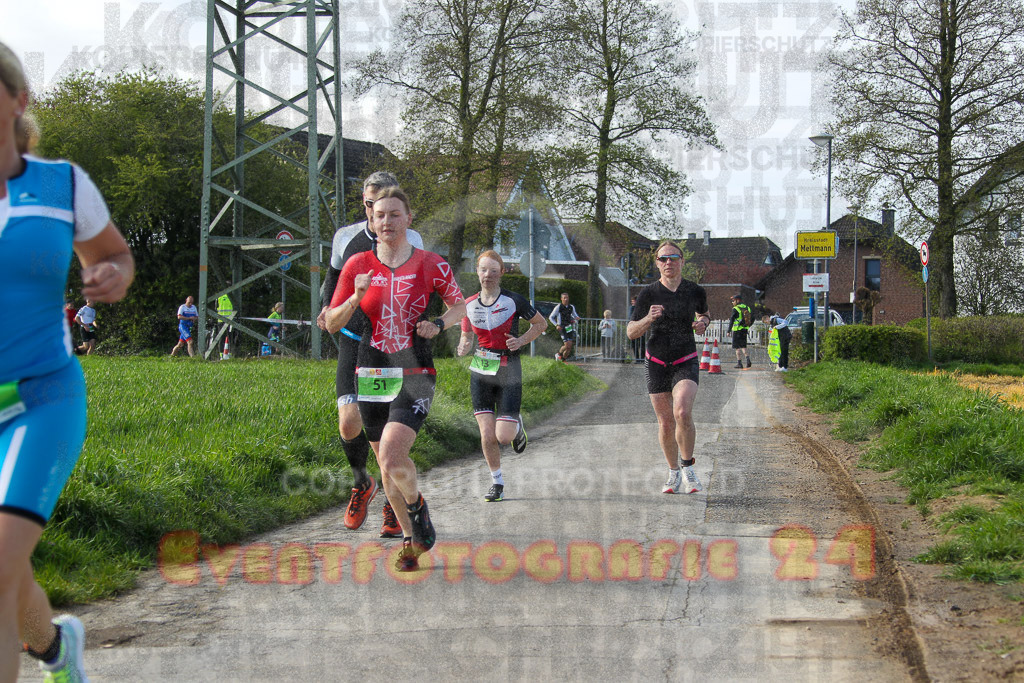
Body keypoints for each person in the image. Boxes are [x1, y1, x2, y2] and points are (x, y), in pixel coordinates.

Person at [0, 40, 135, 682]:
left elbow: (114, 255)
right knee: (8, 567)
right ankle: (56, 651)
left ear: (18, 100)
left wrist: (112, 274)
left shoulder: (61, 184)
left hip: (41, 400)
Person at [327, 186, 465, 571]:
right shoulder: (357, 264)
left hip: (415, 368)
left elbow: (459, 305)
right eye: (380, 215)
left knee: (391, 452)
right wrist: (354, 298)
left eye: (394, 214)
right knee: (386, 463)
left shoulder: (431, 263)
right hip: (372, 368)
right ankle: (411, 538)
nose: (386, 221)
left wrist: (439, 324)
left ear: (408, 219)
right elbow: (332, 322)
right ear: (371, 221)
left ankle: (417, 507)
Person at [316, 171, 425, 535]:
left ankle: (393, 506)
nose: (375, 214)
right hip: (353, 338)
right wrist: (327, 307)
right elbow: (333, 278)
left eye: (383, 206)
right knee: (349, 422)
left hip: (390, 347)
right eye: (368, 205)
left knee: (385, 436)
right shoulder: (346, 238)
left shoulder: (411, 239)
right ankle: (362, 483)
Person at [457, 251, 547, 502]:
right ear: (477, 271)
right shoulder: (468, 304)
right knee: (487, 434)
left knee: (503, 437)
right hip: (481, 368)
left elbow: (541, 324)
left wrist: (521, 340)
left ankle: (516, 427)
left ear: (502, 273)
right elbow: (466, 336)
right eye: (483, 270)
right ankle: (497, 483)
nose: (488, 275)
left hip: (509, 368)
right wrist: (464, 345)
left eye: (493, 271)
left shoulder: (514, 300)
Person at [626, 240, 710, 495]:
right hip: (657, 362)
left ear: (682, 261)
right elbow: (631, 332)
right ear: (657, 264)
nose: (668, 262)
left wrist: (703, 323)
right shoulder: (648, 294)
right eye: (663, 259)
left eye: (673, 257)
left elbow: (705, 314)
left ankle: (688, 467)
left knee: (682, 412)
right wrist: (648, 318)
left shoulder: (695, 290)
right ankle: (673, 472)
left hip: (685, 358)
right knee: (665, 422)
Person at [548, 292, 580, 361]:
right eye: (564, 298)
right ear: (561, 299)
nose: (566, 299)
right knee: (567, 344)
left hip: (569, 327)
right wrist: (556, 325)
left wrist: (576, 318)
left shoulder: (571, 307)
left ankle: (563, 360)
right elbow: (551, 317)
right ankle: (558, 354)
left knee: (569, 347)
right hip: (562, 327)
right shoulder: (558, 307)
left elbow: (575, 315)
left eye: (567, 298)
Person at [728, 293, 752, 369]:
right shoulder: (747, 308)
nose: (732, 302)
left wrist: (728, 331)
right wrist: (747, 325)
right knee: (743, 346)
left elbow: (732, 320)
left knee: (737, 348)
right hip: (744, 330)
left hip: (737, 331)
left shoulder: (735, 309)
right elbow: (753, 318)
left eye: (733, 300)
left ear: (738, 301)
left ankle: (739, 363)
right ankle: (748, 360)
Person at [629, 295, 645, 363]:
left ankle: (642, 358)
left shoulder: (642, 307)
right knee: (634, 344)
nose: (632, 303)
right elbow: (630, 316)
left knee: (642, 343)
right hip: (634, 328)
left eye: (634, 301)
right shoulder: (632, 308)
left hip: (641, 328)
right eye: (632, 302)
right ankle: (637, 359)